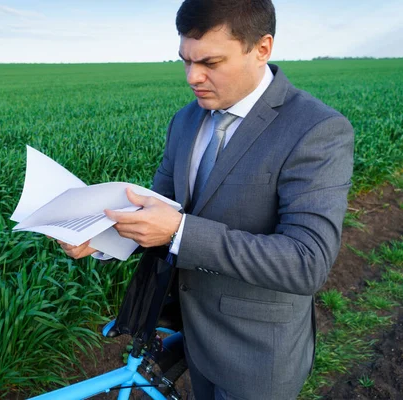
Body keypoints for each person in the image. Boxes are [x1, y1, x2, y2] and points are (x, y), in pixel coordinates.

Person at [56, 0, 354, 398]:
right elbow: (157, 207)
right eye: (185, 61)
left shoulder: (317, 129)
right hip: (193, 335)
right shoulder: (186, 119)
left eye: (211, 63)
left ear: (262, 48)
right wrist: (102, 238)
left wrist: (180, 231)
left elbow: (307, 262)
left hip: (258, 356)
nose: (193, 77)